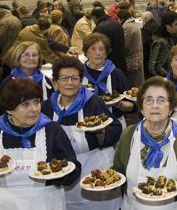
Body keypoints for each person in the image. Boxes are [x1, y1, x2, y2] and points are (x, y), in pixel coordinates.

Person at [0, 78, 81, 210]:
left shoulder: (52, 130)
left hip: (45, 202)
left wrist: (58, 176)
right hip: (4, 204)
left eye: (36, 102)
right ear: (9, 109)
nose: (34, 109)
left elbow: (73, 169)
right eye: (25, 104)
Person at [41, 56, 122, 210]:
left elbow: (116, 129)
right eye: (64, 78)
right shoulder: (47, 107)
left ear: (81, 80)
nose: (69, 83)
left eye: (74, 78)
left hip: (94, 166)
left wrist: (100, 132)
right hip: (64, 171)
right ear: (55, 82)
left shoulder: (92, 102)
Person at [112, 76, 177, 209]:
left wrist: (175, 189)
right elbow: (118, 170)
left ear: (171, 108)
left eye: (161, 100)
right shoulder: (129, 134)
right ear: (141, 108)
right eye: (148, 100)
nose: (154, 105)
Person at [82, 33, 133, 127]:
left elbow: (131, 105)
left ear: (106, 53)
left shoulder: (116, 74)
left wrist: (119, 104)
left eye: (101, 49)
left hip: (115, 124)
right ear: (86, 52)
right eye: (93, 49)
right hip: (86, 125)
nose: (97, 53)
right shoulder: (79, 73)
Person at [0, 41, 54, 117]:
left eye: (35, 55)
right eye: (26, 55)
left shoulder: (45, 81)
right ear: (18, 57)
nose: (31, 58)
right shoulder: (8, 83)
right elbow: (0, 110)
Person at [92, 7, 128, 74]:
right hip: (120, 63)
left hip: (107, 66)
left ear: (94, 17)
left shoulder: (99, 28)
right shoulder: (117, 23)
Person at [148, 10, 177, 77]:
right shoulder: (160, 42)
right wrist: (170, 77)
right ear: (167, 26)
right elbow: (153, 68)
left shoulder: (172, 37)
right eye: (176, 24)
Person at [119, 8, 145, 87]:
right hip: (137, 56)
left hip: (132, 59)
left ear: (122, 18)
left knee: (133, 83)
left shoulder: (127, 27)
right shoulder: (134, 24)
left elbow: (125, 44)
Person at [0, 4, 22, 75]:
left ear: (2, 12)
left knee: (7, 72)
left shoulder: (4, 21)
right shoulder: (16, 19)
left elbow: (1, 37)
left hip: (7, 50)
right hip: (16, 49)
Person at [141, 11, 158, 78]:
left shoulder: (146, 28)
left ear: (145, 19)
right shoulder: (157, 24)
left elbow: (145, 42)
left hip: (149, 53)